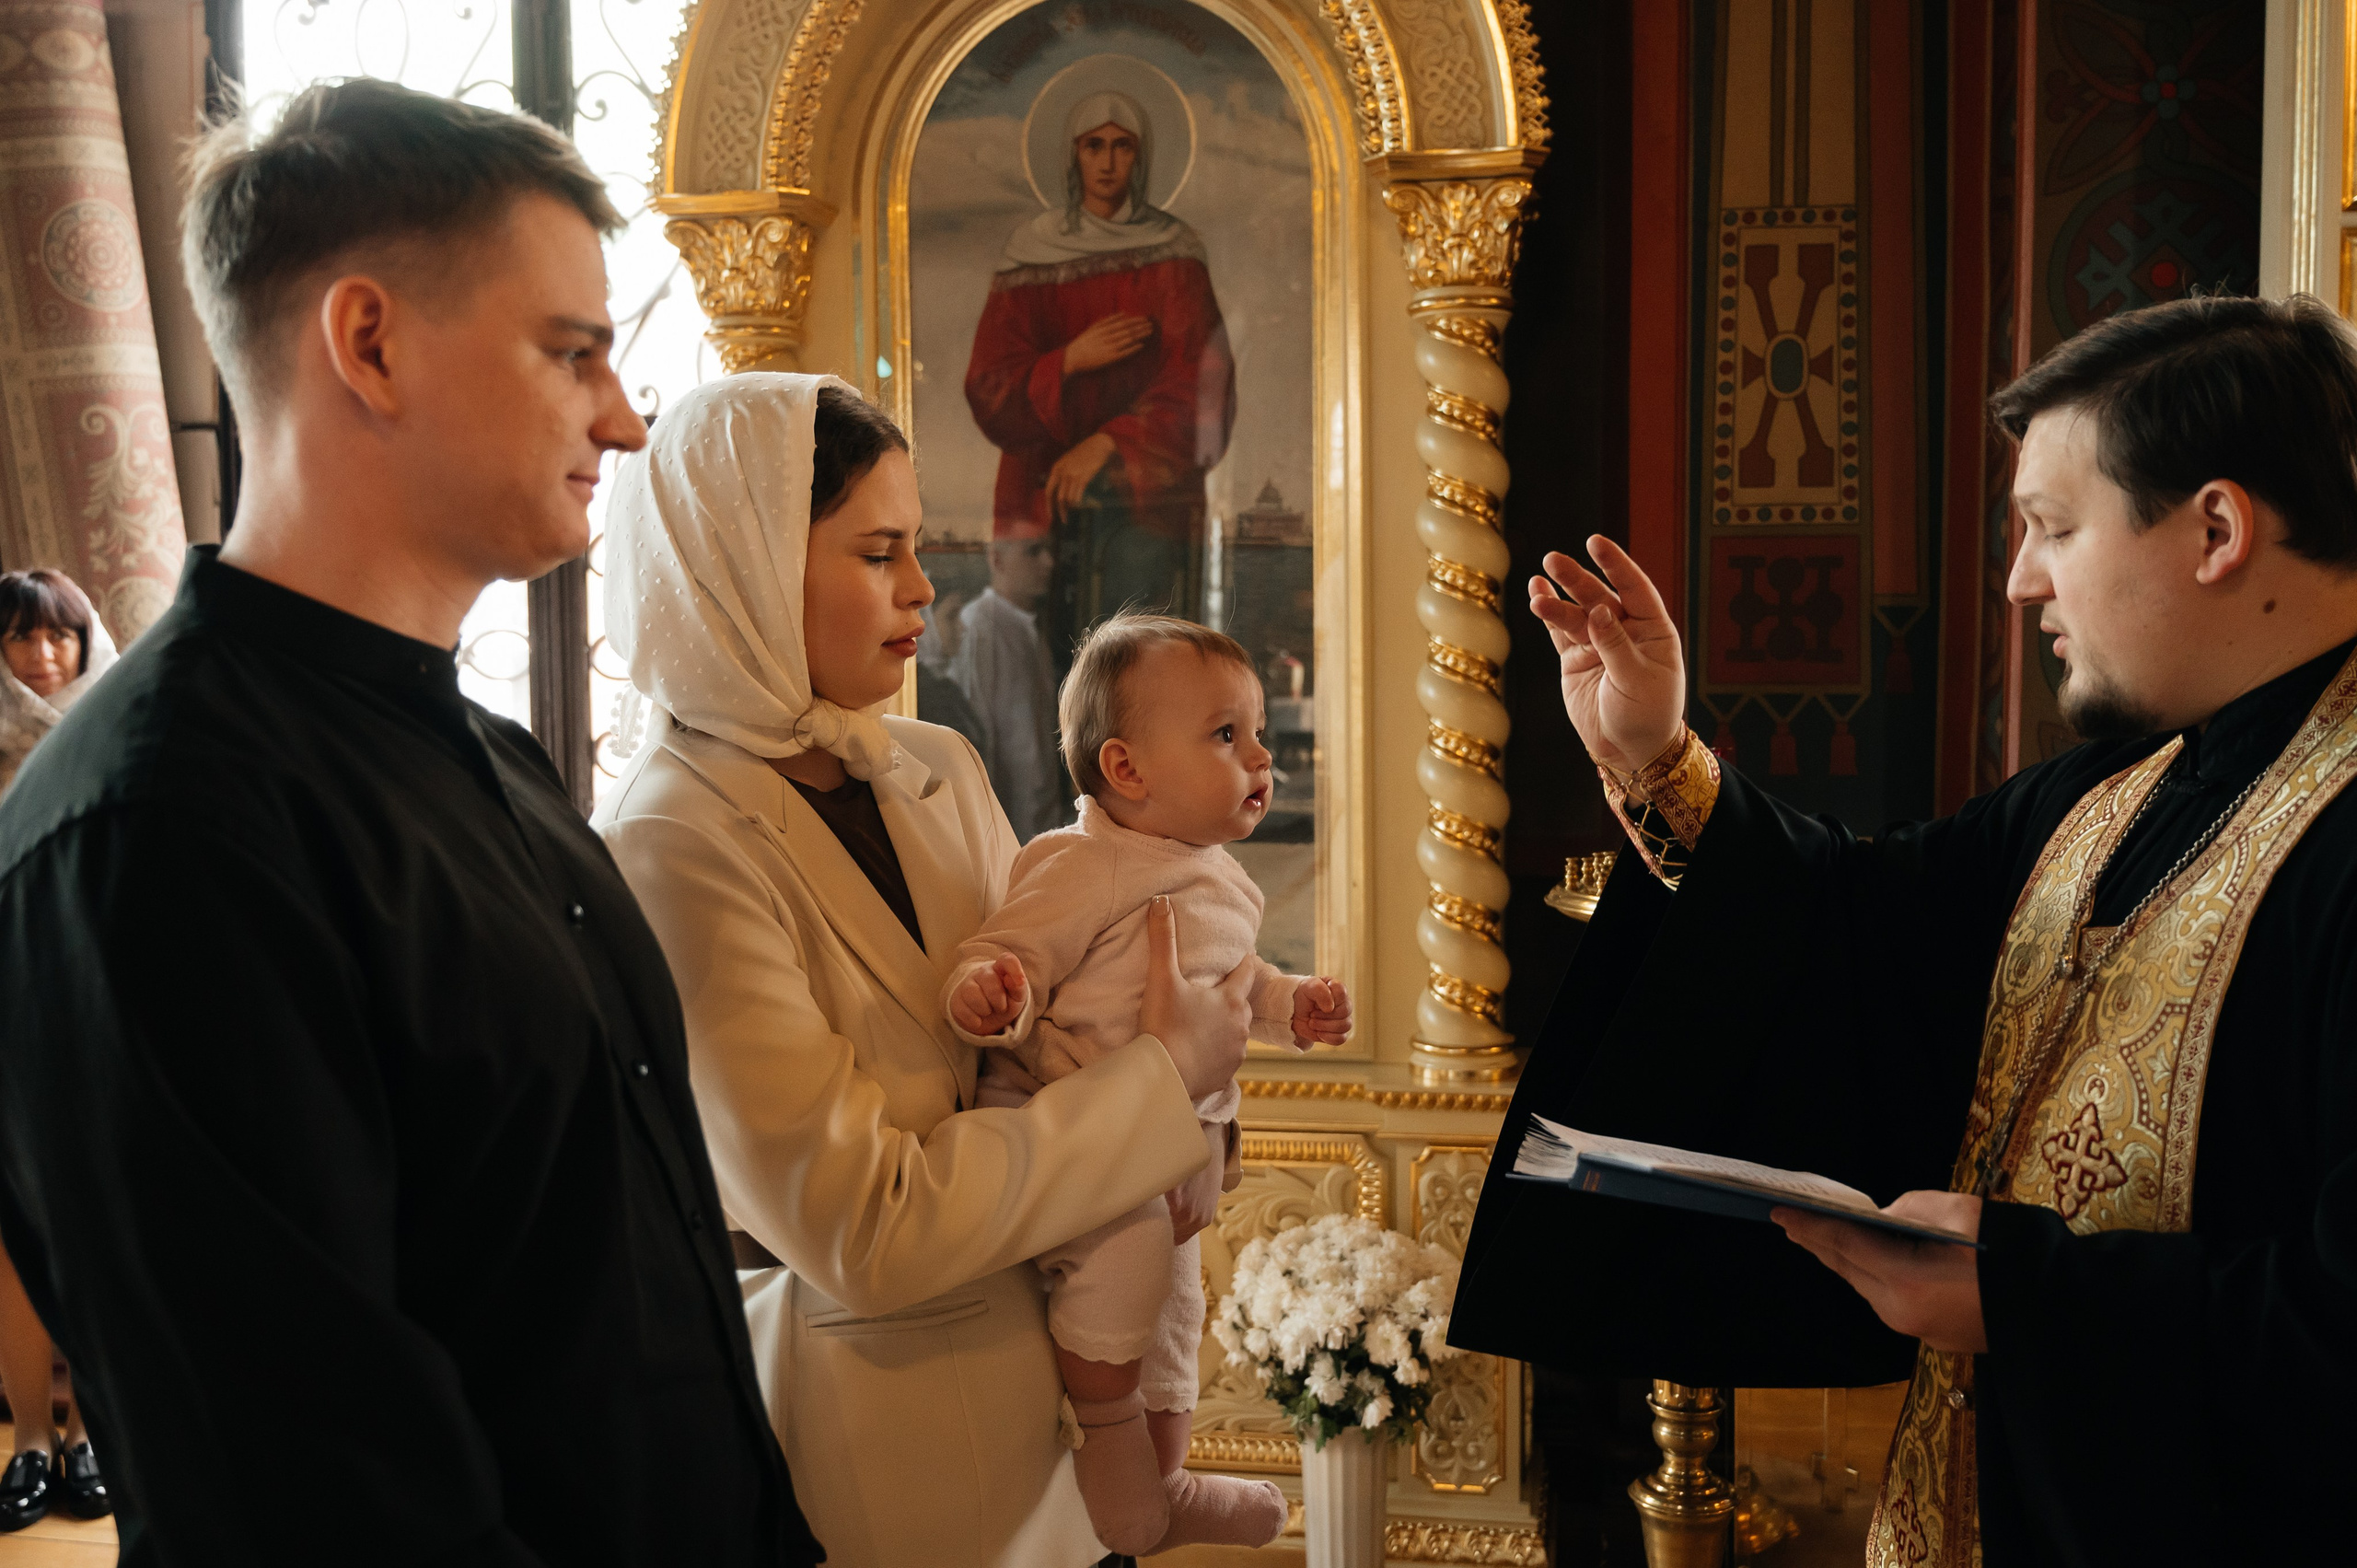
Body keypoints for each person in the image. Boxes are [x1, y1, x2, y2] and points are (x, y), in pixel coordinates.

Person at [0, 80, 819, 1565]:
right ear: (368, 341)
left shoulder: (494, 761)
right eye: (574, 353)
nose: (626, 418)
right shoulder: (154, 828)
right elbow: (314, 1497)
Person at [1452, 292, 2357, 1567]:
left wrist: (2024, 1289)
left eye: (2051, 526)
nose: (2018, 578)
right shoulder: (2121, 782)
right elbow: (1862, 929)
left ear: (2216, 526)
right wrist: (1656, 753)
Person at [591, 374, 1256, 1568]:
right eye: (878, 552)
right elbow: (862, 1222)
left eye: (917, 547)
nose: (921, 588)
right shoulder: (671, 840)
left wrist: (1202, 1117)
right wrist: (1161, 1088)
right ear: (741, 567)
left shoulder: (934, 762)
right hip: (894, 1434)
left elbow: (1076, 1008)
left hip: (1060, 1378)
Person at [943, 612, 1351, 1555]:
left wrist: (1294, 1005)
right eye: (1225, 735)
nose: (1260, 755)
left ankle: (1165, 1483)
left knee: (1174, 1320)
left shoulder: (1214, 875)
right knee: (1123, 1280)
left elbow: (1234, 983)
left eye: (1255, 732)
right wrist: (988, 992)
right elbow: (1007, 956)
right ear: (1126, 771)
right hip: (1077, 1143)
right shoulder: (1083, 864)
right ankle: (1120, 1463)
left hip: (1164, 1157)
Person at [963, 90, 1236, 657]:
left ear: (1141, 158)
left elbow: (1204, 385)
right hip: (1039, 492)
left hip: (1141, 501)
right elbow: (989, 386)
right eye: (1094, 146)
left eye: (1122, 147)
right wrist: (1066, 362)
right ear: (1073, 156)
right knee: (1039, 668)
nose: (1108, 162)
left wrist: (1111, 442)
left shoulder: (1174, 252)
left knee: (1135, 658)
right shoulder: (1030, 252)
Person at [0, 569, 113, 1528]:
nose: (43, 657)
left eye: (60, 637)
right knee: (9, 1244)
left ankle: (94, 1434)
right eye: (21, 641)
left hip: (90, 1006)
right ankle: (31, 1437)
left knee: (94, 1226)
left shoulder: (121, 728)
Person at [958, 535, 1063, 838]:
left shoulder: (1029, 626)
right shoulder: (978, 625)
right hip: (1005, 816)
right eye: (1033, 550)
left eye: (1048, 550)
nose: (1048, 562)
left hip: (1041, 809)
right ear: (997, 559)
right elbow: (976, 733)